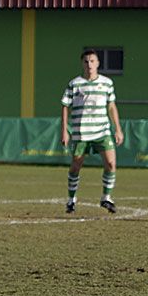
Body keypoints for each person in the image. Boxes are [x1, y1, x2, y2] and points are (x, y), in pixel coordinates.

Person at [61, 48, 123, 214]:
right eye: (86, 61)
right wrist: (65, 131)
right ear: (82, 63)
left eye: (92, 61)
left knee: (111, 163)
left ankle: (106, 198)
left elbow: (111, 106)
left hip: (102, 130)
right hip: (81, 132)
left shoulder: (107, 83)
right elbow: (65, 105)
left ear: (98, 63)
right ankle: (71, 200)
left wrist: (118, 129)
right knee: (76, 166)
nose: (89, 64)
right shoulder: (75, 84)